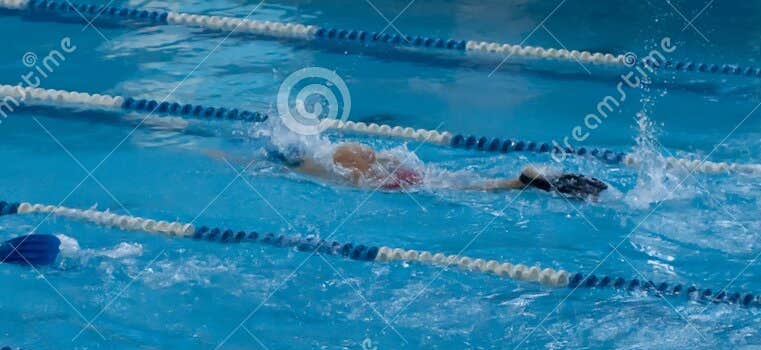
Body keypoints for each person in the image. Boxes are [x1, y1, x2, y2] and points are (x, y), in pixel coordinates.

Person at [258, 139, 609, 199]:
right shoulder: (332, 149)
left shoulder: (309, 166)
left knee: (456, 189)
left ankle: (520, 183)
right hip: (399, 170)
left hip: (385, 184)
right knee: (454, 181)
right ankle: (523, 181)